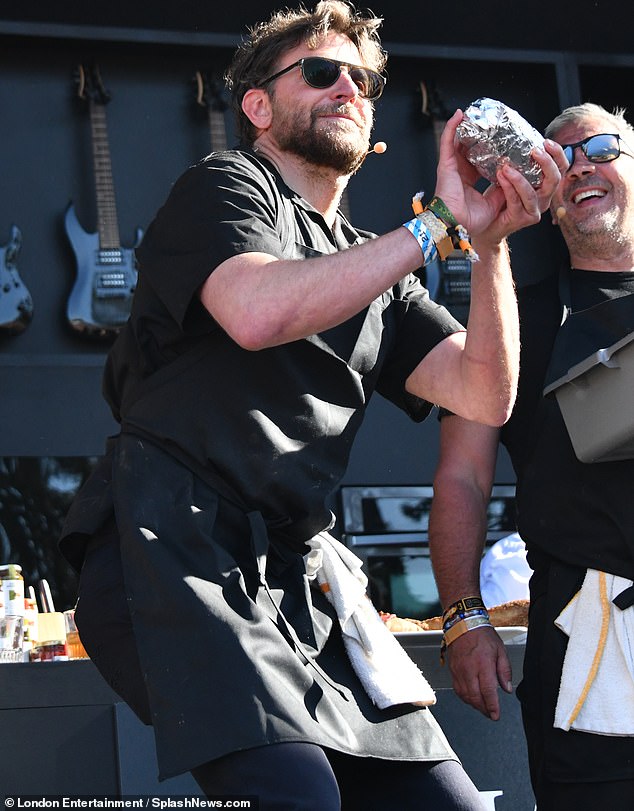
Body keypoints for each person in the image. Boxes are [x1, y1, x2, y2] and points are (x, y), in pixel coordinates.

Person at [58, 2, 562, 807]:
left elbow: (483, 391)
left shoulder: (382, 274)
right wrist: (433, 227)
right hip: (175, 552)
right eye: (321, 72)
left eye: (360, 80)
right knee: (297, 794)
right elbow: (259, 313)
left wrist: (490, 243)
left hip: (301, 584)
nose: (347, 89)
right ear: (258, 106)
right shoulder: (227, 185)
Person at [429, 101, 634, 811]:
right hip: (589, 644)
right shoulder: (511, 315)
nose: (581, 163)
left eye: (602, 146)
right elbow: (462, 473)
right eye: (560, 154)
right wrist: (465, 615)